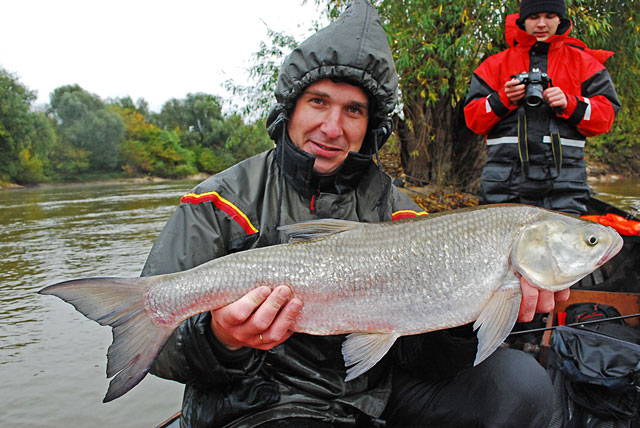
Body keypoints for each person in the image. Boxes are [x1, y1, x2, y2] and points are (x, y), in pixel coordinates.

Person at [143, 1, 568, 427]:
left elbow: (421, 359)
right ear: (290, 108)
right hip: (254, 402)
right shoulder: (217, 201)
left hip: (372, 393)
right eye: (318, 102)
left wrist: (465, 313)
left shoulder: (402, 212)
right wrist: (221, 339)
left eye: (353, 110)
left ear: (371, 126)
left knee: (520, 384)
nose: (332, 127)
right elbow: (162, 353)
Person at [464, 0, 621, 216]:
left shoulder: (585, 64)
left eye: (549, 16)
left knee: (564, 247)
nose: (541, 24)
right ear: (522, 20)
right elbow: (473, 120)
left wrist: (569, 102)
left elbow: (606, 118)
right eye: (534, 17)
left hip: (565, 187)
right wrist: (503, 98)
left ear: (561, 19)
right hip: (504, 186)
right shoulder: (494, 65)